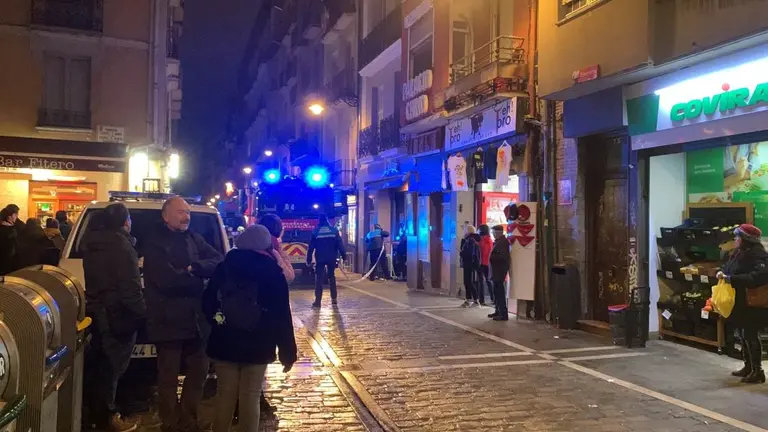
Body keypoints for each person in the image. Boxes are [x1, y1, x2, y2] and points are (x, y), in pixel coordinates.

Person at [202, 225, 297, 432]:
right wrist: (288, 352)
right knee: (250, 395)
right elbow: (282, 314)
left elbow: (208, 302)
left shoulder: (224, 267)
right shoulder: (273, 271)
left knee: (225, 393)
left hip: (225, 341)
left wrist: (218, 321)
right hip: (259, 342)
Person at [143, 197, 223, 432]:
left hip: (196, 320)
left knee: (199, 372)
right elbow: (168, 281)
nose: (186, 216)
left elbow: (218, 260)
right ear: (165, 216)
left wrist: (194, 268)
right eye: (180, 212)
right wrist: (196, 279)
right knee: (168, 377)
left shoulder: (194, 238)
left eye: (188, 212)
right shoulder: (155, 243)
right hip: (167, 320)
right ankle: (170, 422)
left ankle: (188, 419)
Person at [82, 203, 146, 432]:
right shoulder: (121, 246)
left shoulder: (91, 243)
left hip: (98, 313)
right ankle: (107, 419)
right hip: (119, 315)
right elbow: (130, 288)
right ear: (125, 222)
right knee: (111, 369)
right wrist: (143, 313)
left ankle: (93, 415)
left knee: (99, 367)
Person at [717, 224, 768, 384]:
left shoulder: (759, 256)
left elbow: (757, 277)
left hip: (753, 303)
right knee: (743, 333)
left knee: (750, 334)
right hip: (740, 301)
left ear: (746, 239)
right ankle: (748, 366)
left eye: (738, 237)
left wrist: (732, 279)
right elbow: (730, 268)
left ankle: (758, 371)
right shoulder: (739, 253)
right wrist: (723, 273)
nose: (735, 239)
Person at [307, 214, 345, 308]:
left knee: (319, 279)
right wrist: (344, 256)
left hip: (320, 258)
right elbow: (340, 244)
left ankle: (318, 301)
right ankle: (334, 299)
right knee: (331, 277)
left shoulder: (316, 232)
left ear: (319, 221)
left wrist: (308, 259)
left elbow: (311, 247)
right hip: (331, 257)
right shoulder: (334, 231)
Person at [258, 214, 295, 284]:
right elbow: (288, 277)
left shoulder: (244, 246)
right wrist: (281, 251)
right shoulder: (273, 249)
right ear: (277, 229)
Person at [488, 225, 511, 321]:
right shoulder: (498, 242)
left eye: (493, 232)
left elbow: (503, 257)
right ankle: (497, 310)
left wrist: (492, 257)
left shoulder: (503, 242)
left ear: (498, 232)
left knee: (500, 293)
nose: (492, 234)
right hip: (496, 271)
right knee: (496, 292)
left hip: (499, 271)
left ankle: (503, 314)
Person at [459, 225, 483, 307]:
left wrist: (461, 253)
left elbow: (468, 252)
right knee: (468, 282)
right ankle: (472, 299)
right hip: (470, 264)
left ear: (467, 231)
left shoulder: (470, 240)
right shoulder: (471, 239)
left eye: (464, 231)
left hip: (469, 263)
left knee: (468, 282)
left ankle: (472, 300)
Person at [478, 224, 494, 304]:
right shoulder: (485, 239)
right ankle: (482, 299)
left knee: (487, 281)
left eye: (479, 229)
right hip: (482, 263)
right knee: (482, 281)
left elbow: (486, 252)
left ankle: (492, 298)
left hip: (485, 263)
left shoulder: (487, 240)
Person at [0, 207, 18, 275]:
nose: (16, 217)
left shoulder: (10, 228)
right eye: (15, 215)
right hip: (7, 262)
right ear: (9, 217)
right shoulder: (9, 230)